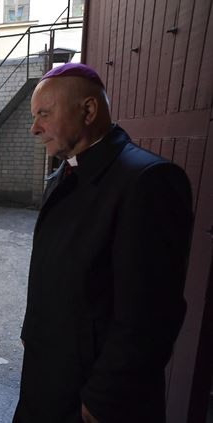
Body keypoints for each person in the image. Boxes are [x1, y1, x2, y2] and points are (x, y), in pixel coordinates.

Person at [14, 63, 193, 423]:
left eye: (44, 114)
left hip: (93, 399)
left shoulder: (148, 181)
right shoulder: (66, 172)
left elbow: (151, 315)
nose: (35, 128)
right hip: (47, 377)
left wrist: (101, 401)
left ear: (89, 110)